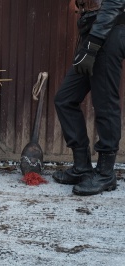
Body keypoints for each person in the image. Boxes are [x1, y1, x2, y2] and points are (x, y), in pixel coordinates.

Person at [53, 0, 125, 196]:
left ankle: (105, 174)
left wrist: (93, 43)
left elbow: (115, 2)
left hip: (108, 33)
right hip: (92, 30)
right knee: (65, 99)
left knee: (105, 104)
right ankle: (82, 167)